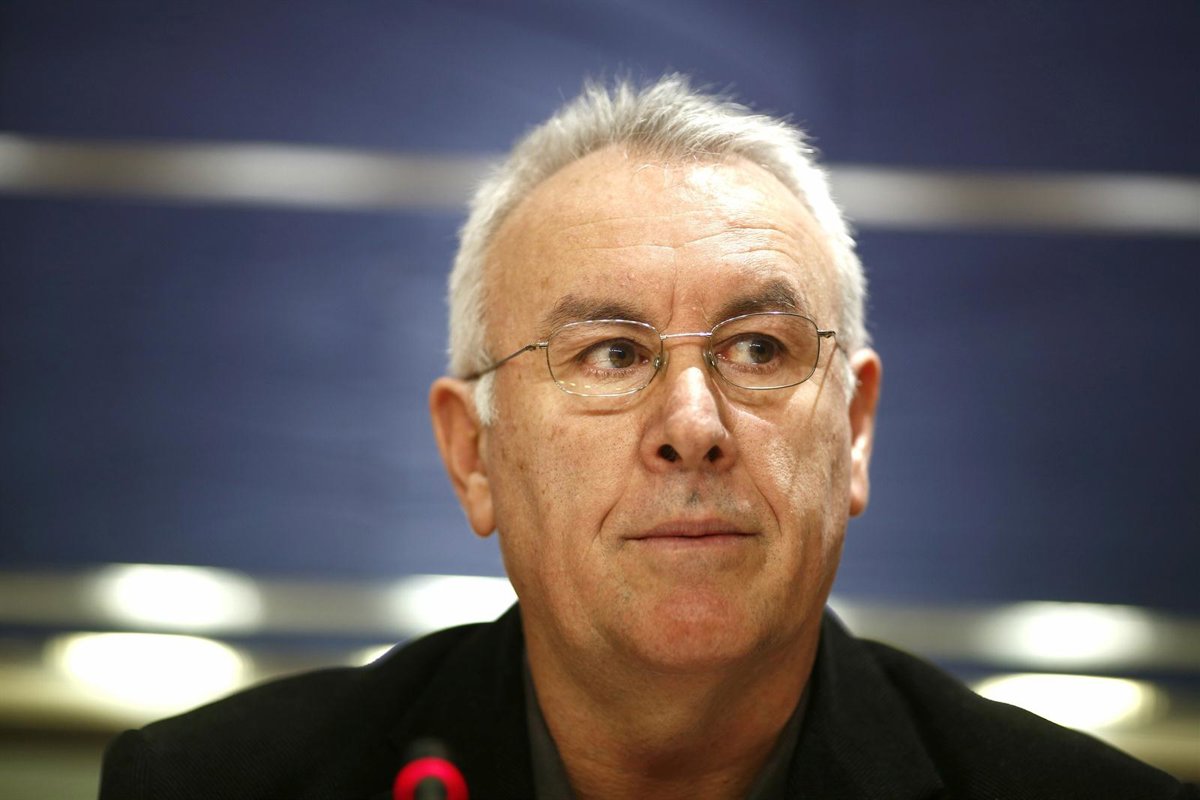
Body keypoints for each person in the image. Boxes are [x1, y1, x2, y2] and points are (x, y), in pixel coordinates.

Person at [99, 75, 1196, 800]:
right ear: (473, 453)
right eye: (611, 355)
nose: (693, 426)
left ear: (854, 429)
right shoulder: (211, 787)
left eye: (759, 348)